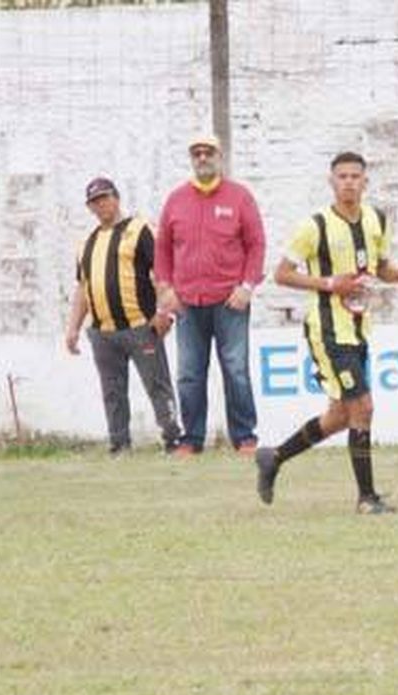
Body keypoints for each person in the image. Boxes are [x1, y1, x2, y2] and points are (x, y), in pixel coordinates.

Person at [255, 152, 398, 514]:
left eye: (356, 176)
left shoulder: (376, 219)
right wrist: (329, 283)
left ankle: (274, 457)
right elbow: (282, 273)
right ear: (331, 181)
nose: (349, 182)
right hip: (328, 330)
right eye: (342, 176)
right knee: (364, 407)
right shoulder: (315, 226)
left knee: (339, 416)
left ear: (365, 182)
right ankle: (366, 499)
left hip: (358, 328)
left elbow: (380, 266)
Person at [155, 134, 266, 455]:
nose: (202, 158)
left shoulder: (239, 197)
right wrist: (165, 287)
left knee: (236, 369)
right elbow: (163, 248)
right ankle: (191, 439)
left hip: (230, 301)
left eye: (208, 152)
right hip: (188, 303)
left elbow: (256, 244)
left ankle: (245, 437)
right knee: (189, 374)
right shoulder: (176, 199)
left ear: (220, 156)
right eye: (196, 153)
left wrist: (247, 286)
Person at [63, 177, 184, 454]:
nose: (101, 205)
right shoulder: (87, 243)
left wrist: (164, 311)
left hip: (140, 326)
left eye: (105, 198)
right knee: (112, 392)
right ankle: (119, 444)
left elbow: (163, 273)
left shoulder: (140, 229)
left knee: (158, 385)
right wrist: (72, 328)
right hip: (103, 332)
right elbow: (83, 288)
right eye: (94, 201)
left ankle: (173, 438)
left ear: (116, 198)